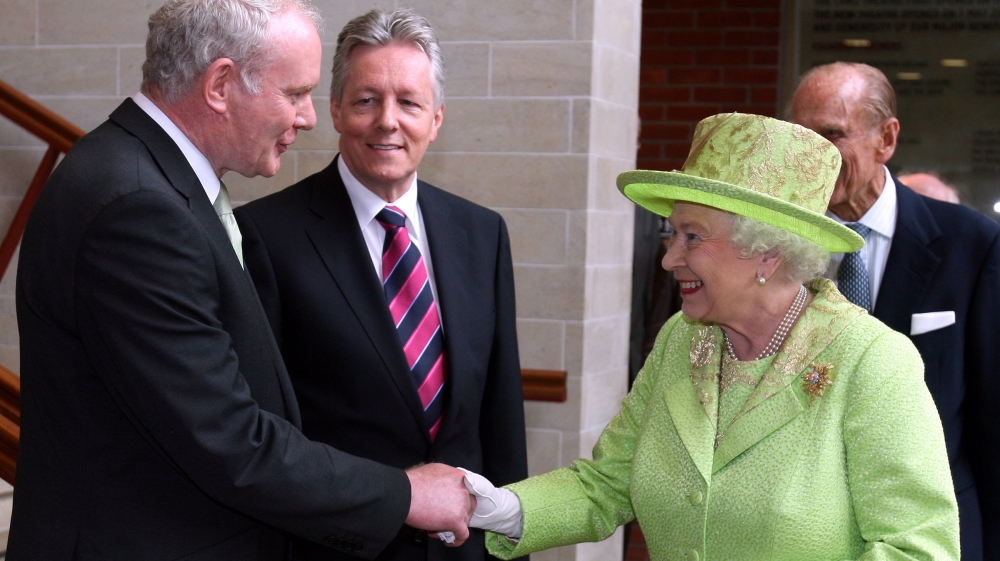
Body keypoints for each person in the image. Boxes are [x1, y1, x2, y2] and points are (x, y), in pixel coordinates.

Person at [7, 1, 474, 559]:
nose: (307, 117)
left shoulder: (146, 178)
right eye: (295, 93)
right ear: (221, 84)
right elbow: (229, 441)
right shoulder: (136, 206)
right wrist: (405, 493)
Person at [460, 113, 960, 560]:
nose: (670, 258)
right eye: (671, 233)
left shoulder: (871, 359)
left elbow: (919, 548)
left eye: (692, 237)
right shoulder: (682, 339)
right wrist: (498, 508)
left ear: (766, 252)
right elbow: (608, 483)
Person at [234, 8, 528, 561]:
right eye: (367, 100)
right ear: (336, 111)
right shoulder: (266, 237)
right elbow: (265, 432)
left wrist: (514, 546)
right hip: (335, 549)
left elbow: (502, 422)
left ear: (436, 118)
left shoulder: (482, 234)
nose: (387, 121)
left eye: (409, 102)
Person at [790, 61, 1000, 561]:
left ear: (886, 139)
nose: (812, 153)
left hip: (935, 531)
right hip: (804, 531)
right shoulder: (774, 246)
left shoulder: (971, 245)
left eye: (832, 134)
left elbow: (992, 419)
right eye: (801, 135)